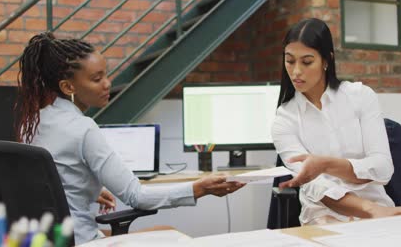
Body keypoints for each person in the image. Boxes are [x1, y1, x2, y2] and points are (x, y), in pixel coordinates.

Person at [15, 32, 245, 244]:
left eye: (106, 74)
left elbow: (54, 182)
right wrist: (199, 188)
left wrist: (90, 191)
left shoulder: (31, 123)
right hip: (81, 240)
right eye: (96, 79)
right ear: (67, 86)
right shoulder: (82, 128)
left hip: (47, 240)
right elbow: (137, 196)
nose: (108, 84)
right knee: (170, 234)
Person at [271, 18, 401, 225]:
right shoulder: (284, 119)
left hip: (381, 211)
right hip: (323, 216)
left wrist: (325, 164)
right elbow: (317, 188)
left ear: (326, 61)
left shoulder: (361, 96)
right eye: (289, 61)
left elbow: (382, 169)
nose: (296, 71)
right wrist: (370, 209)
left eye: (307, 62)